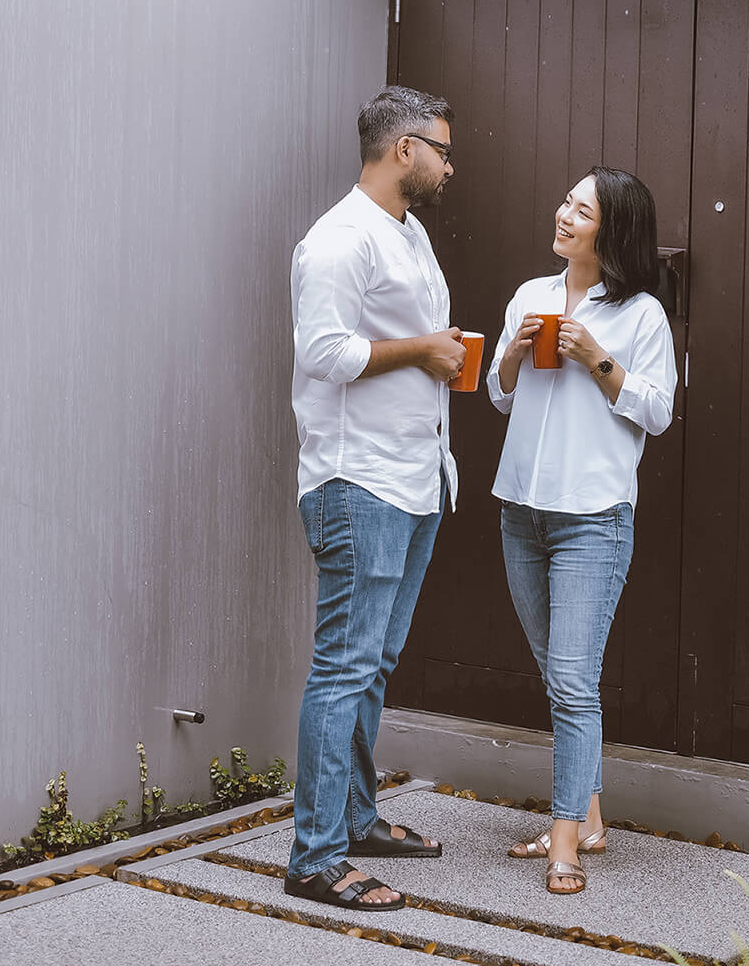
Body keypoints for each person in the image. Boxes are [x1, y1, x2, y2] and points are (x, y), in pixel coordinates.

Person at [284, 85, 465, 913]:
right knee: (343, 669)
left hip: (414, 477)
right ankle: (314, 860)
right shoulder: (336, 241)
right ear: (403, 149)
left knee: (374, 665)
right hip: (357, 482)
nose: (448, 164)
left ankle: (355, 820)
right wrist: (422, 350)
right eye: (441, 149)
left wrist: (436, 354)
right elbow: (323, 352)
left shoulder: (411, 231)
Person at [487, 166, 677, 897]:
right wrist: (513, 350)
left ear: (613, 230)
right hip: (520, 512)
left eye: (581, 209)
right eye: (565, 200)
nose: (563, 214)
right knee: (561, 678)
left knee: (571, 680)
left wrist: (595, 357)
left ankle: (565, 839)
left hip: (593, 519)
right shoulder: (531, 295)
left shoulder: (642, 316)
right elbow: (501, 396)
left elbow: (655, 412)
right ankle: (590, 818)